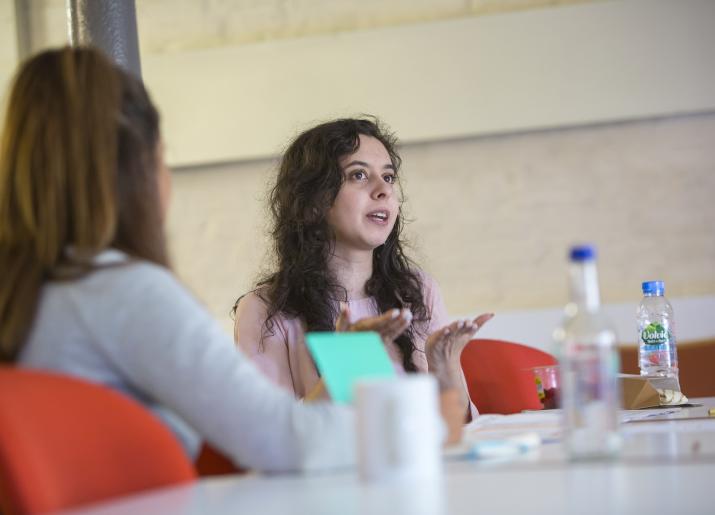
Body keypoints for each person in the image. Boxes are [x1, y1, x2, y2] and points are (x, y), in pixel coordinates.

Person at [0, 47, 471, 473]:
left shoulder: (27, 291)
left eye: (388, 176)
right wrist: (424, 429)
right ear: (136, 172)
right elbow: (283, 439)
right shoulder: (127, 293)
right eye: (163, 160)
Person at [233, 118, 493, 417]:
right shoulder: (265, 310)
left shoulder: (419, 289)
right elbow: (273, 437)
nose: (383, 190)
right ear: (311, 203)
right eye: (358, 175)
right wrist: (351, 362)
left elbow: (456, 434)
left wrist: (445, 364)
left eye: (389, 177)